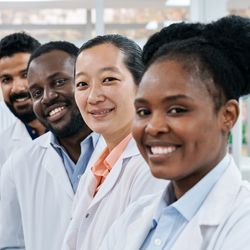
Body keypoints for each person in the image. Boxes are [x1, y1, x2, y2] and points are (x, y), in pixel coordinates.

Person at [99, 16, 250, 250]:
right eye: (143, 111)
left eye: (177, 109)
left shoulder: (243, 222)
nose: (154, 126)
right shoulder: (134, 218)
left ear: (228, 115)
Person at [62, 34, 166, 250]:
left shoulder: (154, 167)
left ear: (142, 83)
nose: (93, 97)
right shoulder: (97, 167)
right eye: (82, 84)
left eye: (108, 79)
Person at [0, 41, 105, 250]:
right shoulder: (19, 163)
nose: (47, 97)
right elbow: (10, 243)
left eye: (58, 82)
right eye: (36, 92)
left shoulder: (124, 150)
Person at [0, 32, 46, 167]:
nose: (17, 88)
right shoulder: (3, 147)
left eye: (25, 74)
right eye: (6, 79)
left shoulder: (84, 132)